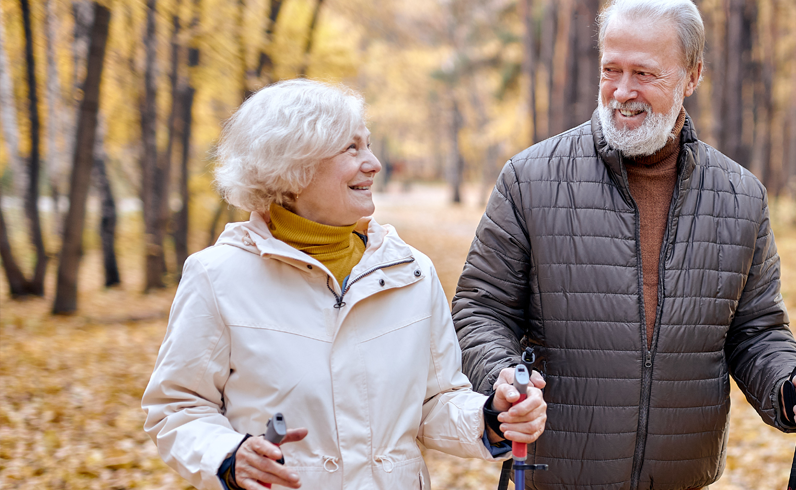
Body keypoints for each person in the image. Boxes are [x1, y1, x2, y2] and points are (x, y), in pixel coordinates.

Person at [451, 1, 796, 488]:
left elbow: (755, 329)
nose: (623, 92)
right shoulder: (529, 179)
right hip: (555, 475)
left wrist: (787, 386)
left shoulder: (741, 196)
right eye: (611, 69)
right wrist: (503, 377)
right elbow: (479, 311)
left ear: (692, 76)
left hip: (680, 477)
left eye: (645, 73)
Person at [142, 79, 547, 490]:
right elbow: (177, 408)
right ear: (292, 166)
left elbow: (436, 402)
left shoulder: (412, 273)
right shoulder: (218, 277)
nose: (373, 163)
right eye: (351, 148)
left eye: (367, 146)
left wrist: (491, 417)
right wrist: (228, 456)